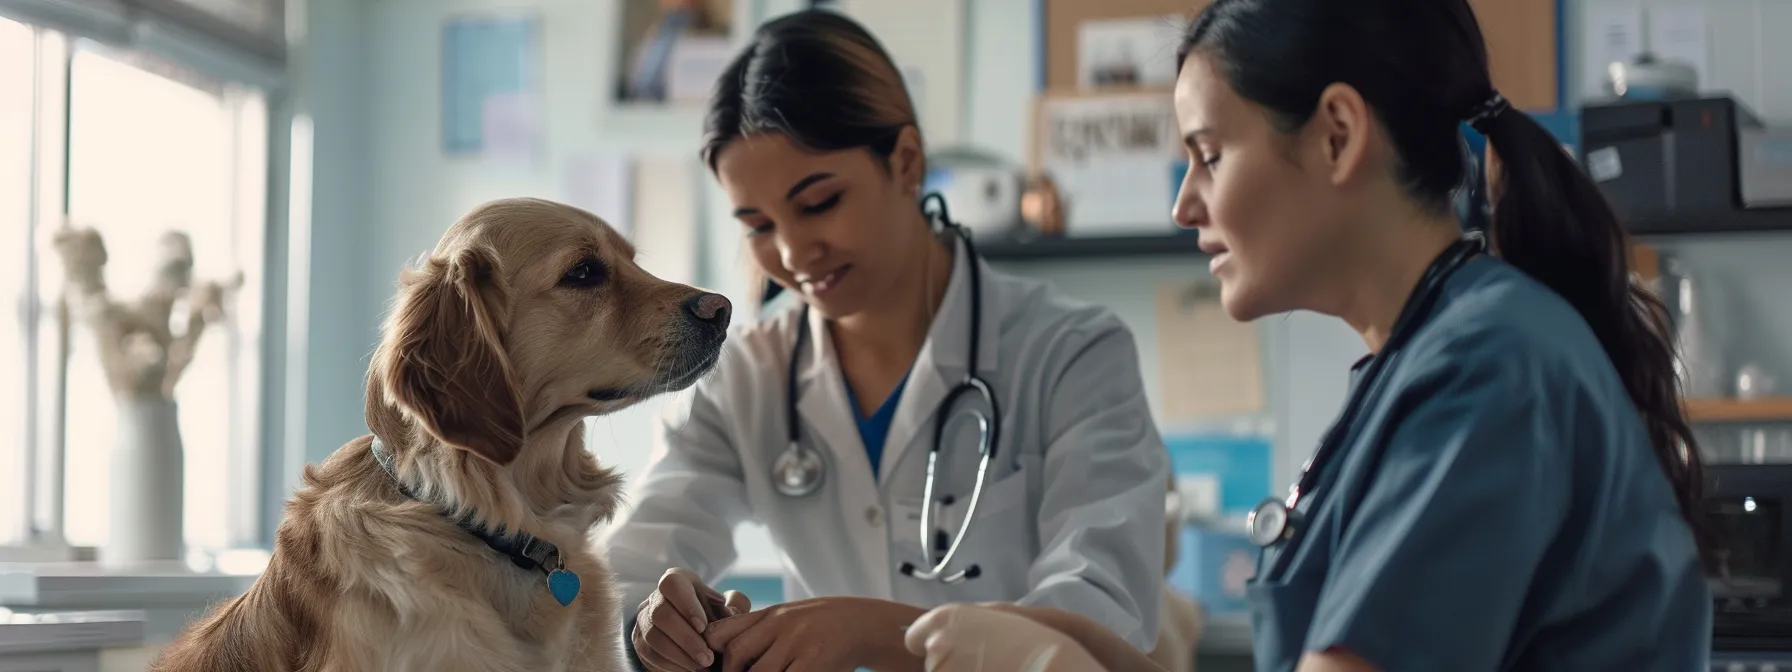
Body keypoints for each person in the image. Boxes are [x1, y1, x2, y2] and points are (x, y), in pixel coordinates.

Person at [599, 9, 1171, 672]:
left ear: (905, 163)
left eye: (819, 203)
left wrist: (885, 634)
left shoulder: (1072, 355)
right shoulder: (748, 379)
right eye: (757, 224)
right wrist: (651, 620)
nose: (792, 252)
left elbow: (1106, 613)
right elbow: (629, 564)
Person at [1168, 0, 1715, 670]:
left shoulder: (1488, 366)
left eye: (1210, 155)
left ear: (1337, 136)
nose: (1183, 204)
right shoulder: (1437, 355)